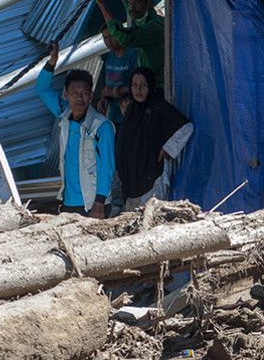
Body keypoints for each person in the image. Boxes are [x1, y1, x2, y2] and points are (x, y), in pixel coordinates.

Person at [35, 43, 115, 218]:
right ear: (66, 94)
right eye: (74, 93)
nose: (79, 98)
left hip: (93, 204)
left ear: (91, 95)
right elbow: (41, 88)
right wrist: (52, 63)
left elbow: (107, 167)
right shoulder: (64, 115)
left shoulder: (102, 126)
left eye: (84, 93)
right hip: (68, 202)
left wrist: (100, 201)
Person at [115, 66, 193, 211]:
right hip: (131, 180)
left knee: (150, 219)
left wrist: (168, 149)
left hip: (152, 176)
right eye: (134, 85)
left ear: (150, 86)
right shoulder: (131, 111)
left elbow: (186, 127)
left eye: (143, 85)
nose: (138, 90)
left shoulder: (159, 108)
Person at [92, 0, 164, 87]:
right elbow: (126, 0)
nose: (132, 6)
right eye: (131, 2)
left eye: (137, 2)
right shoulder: (143, 18)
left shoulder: (153, 27)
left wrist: (101, 4)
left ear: (148, 3)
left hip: (156, 86)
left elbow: (124, 37)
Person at [96, 25, 137, 125]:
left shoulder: (133, 54)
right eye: (105, 37)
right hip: (113, 115)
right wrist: (104, 99)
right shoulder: (110, 56)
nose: (108, 41)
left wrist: (115, 92)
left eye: (111, 36)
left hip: (130, 113)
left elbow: (139, 86)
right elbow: (108, 85)